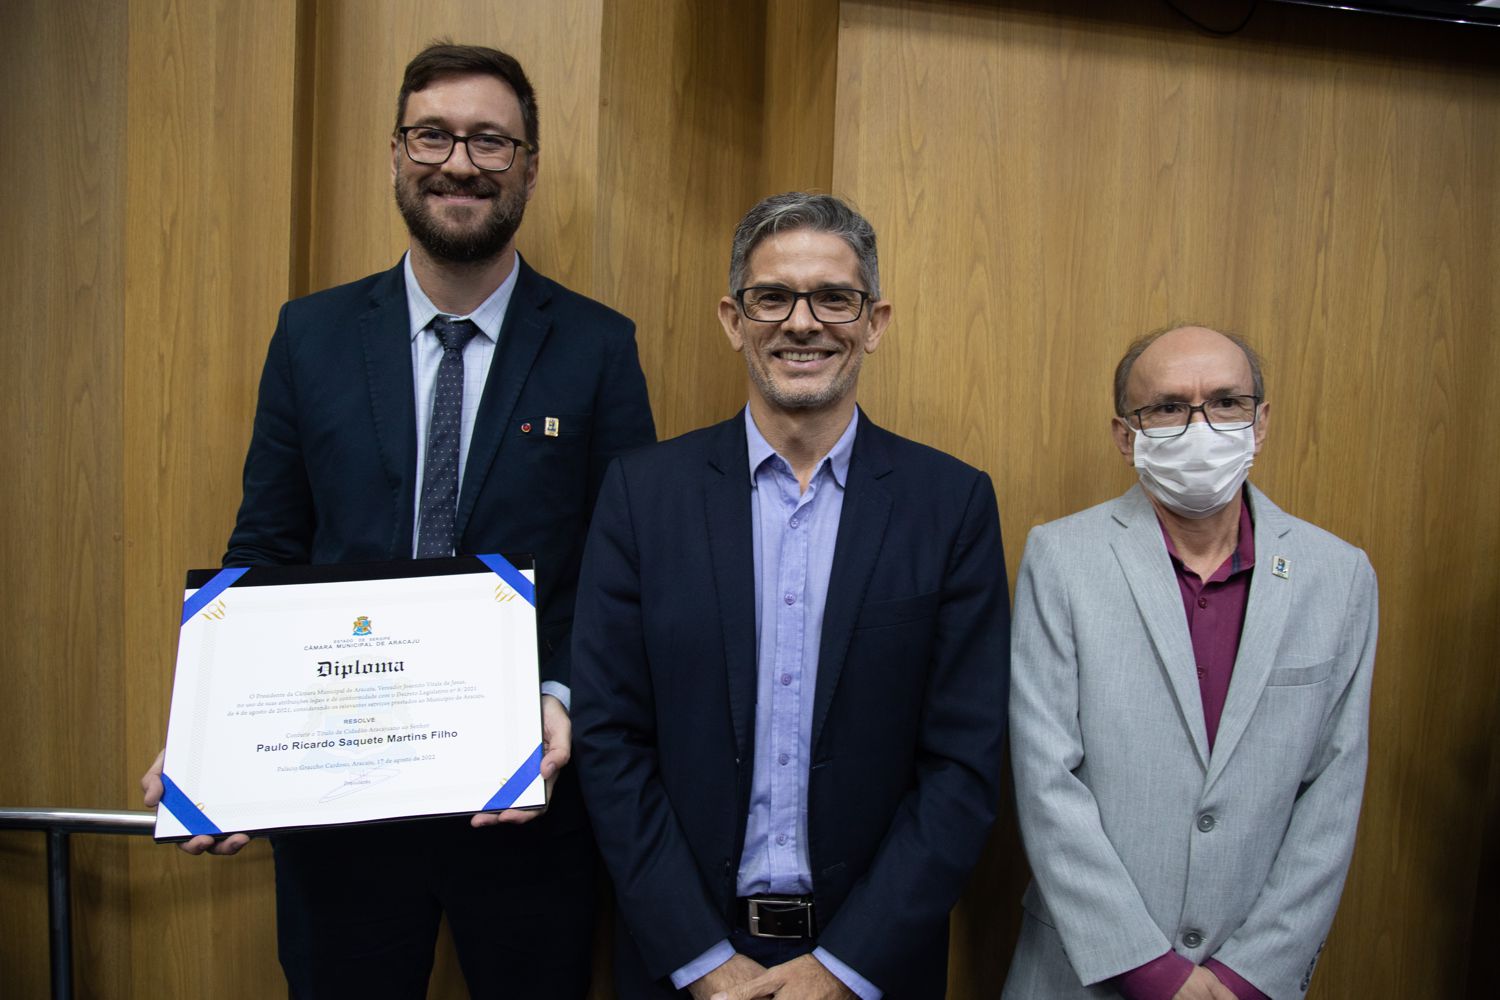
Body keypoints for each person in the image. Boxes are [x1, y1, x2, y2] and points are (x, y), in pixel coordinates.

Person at [140, 41, 656, 998]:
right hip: (339, 810)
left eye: (491, 142)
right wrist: (212, 730)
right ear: (394, 153)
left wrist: (564, 701)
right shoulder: (311, 335)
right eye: (434, 136)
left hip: (529, 806)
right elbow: (266, 548)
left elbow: (625, 573)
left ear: (529, 167)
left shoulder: (598, 347)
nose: (459, 163)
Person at [571, 192, 1009, 1000]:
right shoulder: (643, 495)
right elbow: (610, 741)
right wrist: (700, 958)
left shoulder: (949, 505)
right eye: (772, 297)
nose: (801, 323)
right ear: (734, 319)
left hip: (874, 964)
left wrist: (845, 969)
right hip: (682, 959)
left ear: (873, 322)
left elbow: (962, 764)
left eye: (833, 298)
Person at [1003, 325, 1377, 1000]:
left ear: (1260, 423)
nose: (1201, 426)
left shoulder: (1339, 576)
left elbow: (1333, 794)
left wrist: (1250, 973)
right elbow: (1044, 778)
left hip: (1252, 981)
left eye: (1227, 403)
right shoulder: (1062, 560)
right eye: (1169, 407)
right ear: (1126, 435)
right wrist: (1152, 972)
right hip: (1082, 974)